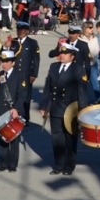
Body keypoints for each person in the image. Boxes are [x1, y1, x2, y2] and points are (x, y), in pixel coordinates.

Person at [39, 44, 89, 175]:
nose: (61, 55)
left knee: (70, 139)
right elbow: (48, 88)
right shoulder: (53, 67)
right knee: (57, 139)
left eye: (65, 54)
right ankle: (58, 165)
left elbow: (82, 92)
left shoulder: (78, 70)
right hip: (55, 108)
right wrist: (43, 106)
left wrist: (82, 112)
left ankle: (69, 166)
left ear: (72, 56)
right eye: (61, 53)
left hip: (70, 110)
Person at [0, 50, 26, 172]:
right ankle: (3, 163)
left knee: (14, 139)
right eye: (2, 62)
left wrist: (16, 108)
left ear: (13, 63)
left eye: (7, 62)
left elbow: (22, 95)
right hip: (0, 110)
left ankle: (12, 165)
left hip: (13, 111)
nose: (4, 64)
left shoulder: (20, 75)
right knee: (1, 139)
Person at [7, 21, 40, 124]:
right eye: (18, 30)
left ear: (27, 31)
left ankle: (24, 117)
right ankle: (14, 116)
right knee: (13, 95)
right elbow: (5, 55)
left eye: (22, 30)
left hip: (25, 74)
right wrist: (6, 46)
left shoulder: (32, 43)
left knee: (25, 96)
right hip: (14, 73)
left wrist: (34, 74)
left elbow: (36, 59)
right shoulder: (13, 42)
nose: (19, 32)